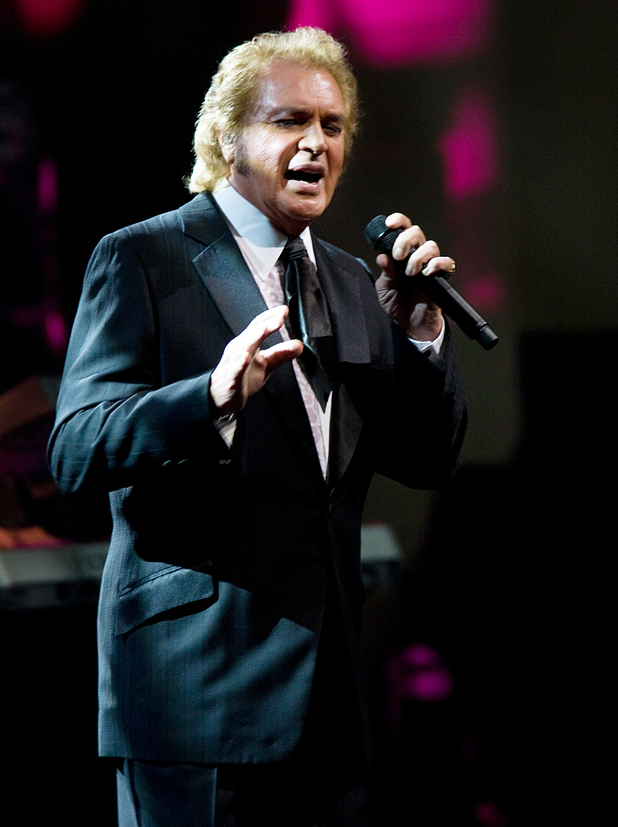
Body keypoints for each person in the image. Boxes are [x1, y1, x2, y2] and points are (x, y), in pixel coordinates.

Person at [48, 27, 467, 827]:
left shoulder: (351, 280)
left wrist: (419, 339)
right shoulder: (145, 258)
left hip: (330, 702)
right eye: (288, 122)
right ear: (228, 137)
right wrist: (208, 396)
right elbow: (76, 448)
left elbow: (428, 457)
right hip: (195, 698)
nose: (315, 143)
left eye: (332, 125)